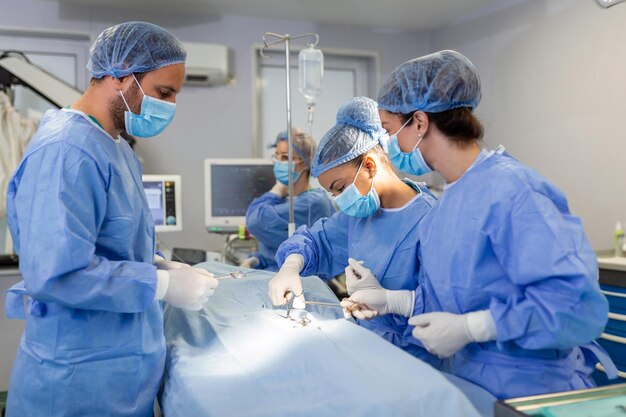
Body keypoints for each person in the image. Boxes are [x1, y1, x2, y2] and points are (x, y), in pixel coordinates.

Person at [341, 50, 611, 399]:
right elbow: (453, 300)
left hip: (535, 391)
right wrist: (392, 301)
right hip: (472, 385)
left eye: (391, 131)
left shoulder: (513, 191)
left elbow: (574, 305)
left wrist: (473, 327)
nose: (390, 145)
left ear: (420, 123)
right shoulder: (445, 205)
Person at [4, 22, 219, 416]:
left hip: (120, 374)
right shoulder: (66, 152)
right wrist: (164, 284)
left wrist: (158, 263)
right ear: (121, 75)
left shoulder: (116, 148)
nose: (169, 107)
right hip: (75, 382)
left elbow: (114, 239)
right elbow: (57, 273)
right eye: (163, 92)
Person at [268, 96, 441, 365]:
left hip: (416, 364)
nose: (338, 198)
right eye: (331, 192)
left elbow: (445, 309)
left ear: (370, 165)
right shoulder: (359, 216)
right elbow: (318, 241)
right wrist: (291, 265)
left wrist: (391, 302)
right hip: (366, 352)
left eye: (339, 187)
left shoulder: (431, 221)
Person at [241, 129, 335, 271]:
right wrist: (257, 260)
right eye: (276, 156)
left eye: (285, 158)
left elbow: (254, 221)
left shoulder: (313, 203)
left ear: (305, 162)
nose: (279, 163)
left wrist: (275, 192)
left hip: (301, 282)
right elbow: (274, 246)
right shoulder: (284, 201)